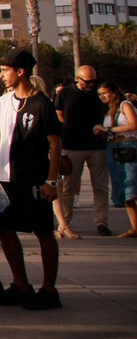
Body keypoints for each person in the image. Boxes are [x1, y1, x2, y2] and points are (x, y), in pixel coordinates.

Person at [0, 48, 63, 310]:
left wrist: (51, 181)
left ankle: (49, 290)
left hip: (34, 180)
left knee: (43, 232)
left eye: (5, 70)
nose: (1, 75)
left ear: (20, 72)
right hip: (5, 179)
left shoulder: (42, 103)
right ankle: (21, 285)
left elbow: (55, 143)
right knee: (4, 229)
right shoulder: (2, 101)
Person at [58, 65, 112, 236]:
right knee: (69, 187)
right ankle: (65, 223)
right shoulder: (65, 92)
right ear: (78, 78)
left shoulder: (98, 93)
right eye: (87, 82)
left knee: (101, 187)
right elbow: (58, 113)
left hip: (96, 146)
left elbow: (110, 108)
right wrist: (68, 127)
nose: (91, 85)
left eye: (93, 81)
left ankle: (101, 222)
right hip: (72, 145)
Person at [96, 81, 137, 237]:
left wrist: (110, 129)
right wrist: (101, 131)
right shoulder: (108, 111)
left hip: (129, 148)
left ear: (114, 92)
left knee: (133, 187)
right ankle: (134, 227)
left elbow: (134, 124)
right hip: (113, 149)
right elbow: (109, 132)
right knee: (124, 190)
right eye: (100, 94)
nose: (102, 97)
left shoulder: (125, 105)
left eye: (105, 93)